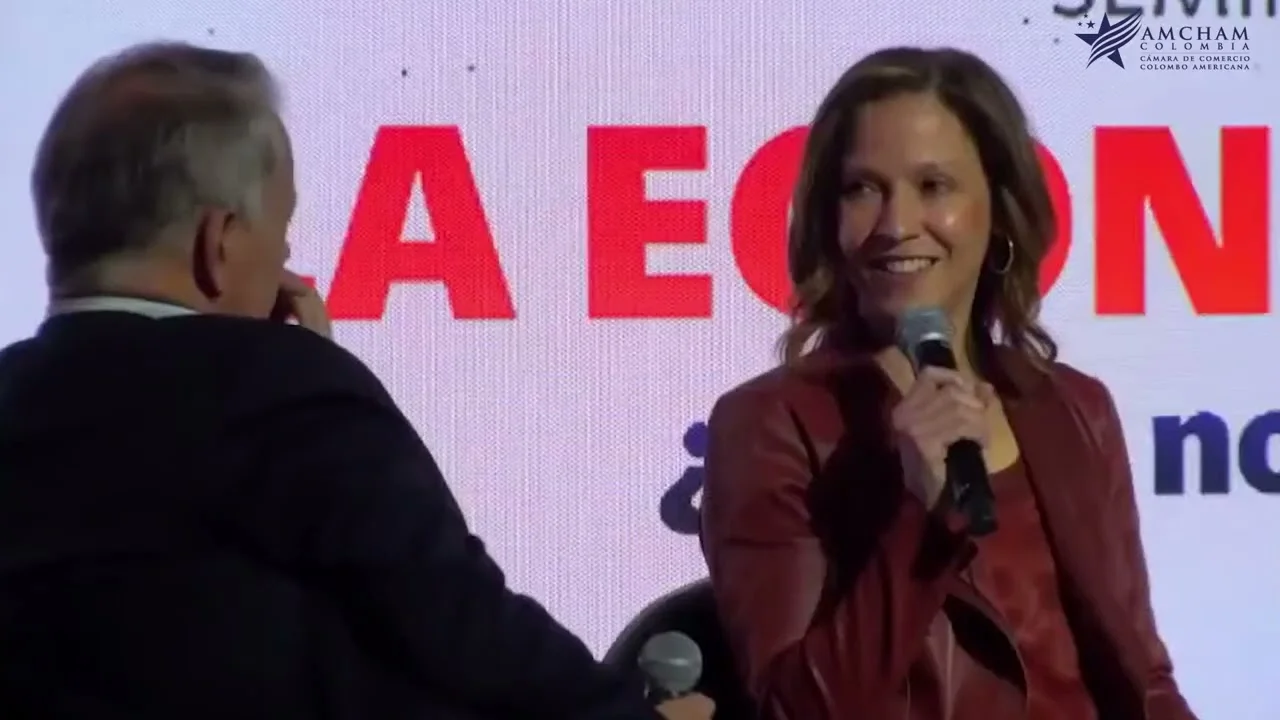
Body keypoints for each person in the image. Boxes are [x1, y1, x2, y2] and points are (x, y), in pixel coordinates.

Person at [0, 42, 713, 720]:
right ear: (219, 244)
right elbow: (461, 628)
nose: (285, 260)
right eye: (280, 232)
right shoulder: (280, 391)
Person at [698, 47, 1197, 720]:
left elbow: (1144, 677)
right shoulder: (771, 425)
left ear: (1000, 209)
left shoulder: (1074, 407)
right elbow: (797, 710)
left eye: (933, 186)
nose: (897, 225)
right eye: (862, 189)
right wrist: (921, 520)